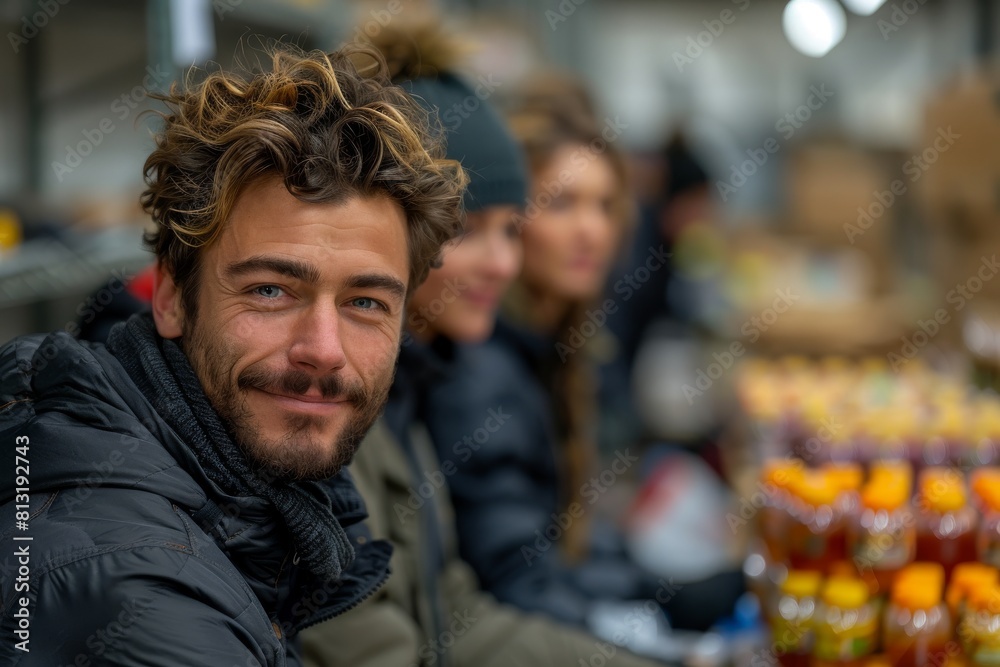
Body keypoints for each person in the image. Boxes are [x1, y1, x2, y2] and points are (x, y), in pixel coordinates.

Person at [0, 44, 466, 666]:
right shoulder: (139, 597)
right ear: (170, 296)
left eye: (365, 303)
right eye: (270, 291)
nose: (323, 351)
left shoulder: (239, 505)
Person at [300, 24, 661, 667]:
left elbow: (457, 616)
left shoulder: (410, 395)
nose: (502, 263)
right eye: (466, 230)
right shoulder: (331, 411)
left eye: (511, 230)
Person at [420, 77, 664, 627]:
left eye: (604, 205)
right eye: (561, 204)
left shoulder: (551, 346)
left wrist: (655, 588)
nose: (590, 231)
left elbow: (557, 547)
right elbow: (515, 581)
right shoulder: (480, 364)